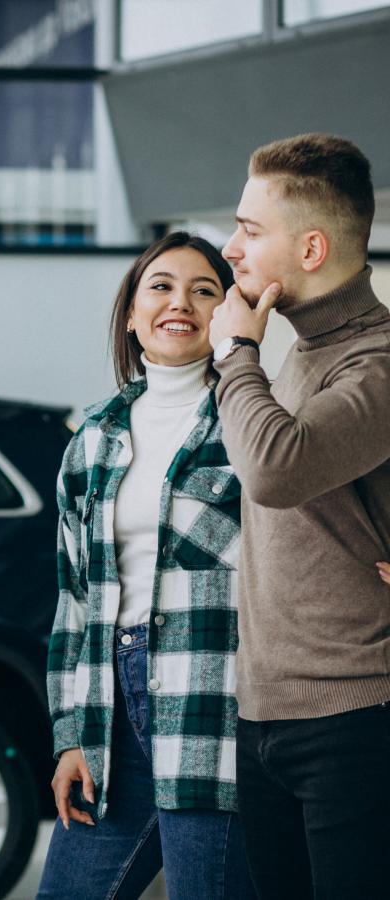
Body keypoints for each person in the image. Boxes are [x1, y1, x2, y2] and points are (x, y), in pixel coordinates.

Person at [38, 233, 256, 899]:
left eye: (203, 290)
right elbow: (74, 601)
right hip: (110, 716)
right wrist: (71, 736)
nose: (180, 302)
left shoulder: (253, 421)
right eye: (161, 287)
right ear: (131, 314)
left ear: (227, 312)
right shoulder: (92, 439)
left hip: (213, 708)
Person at [207, 133, 390, 899]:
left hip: (356, 716)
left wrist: (233, 354)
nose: (230, 249)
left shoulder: (375, 361)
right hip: (265, 715)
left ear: (311, 248)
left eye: (250, 230)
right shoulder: (300, 352)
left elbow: (276, 470)